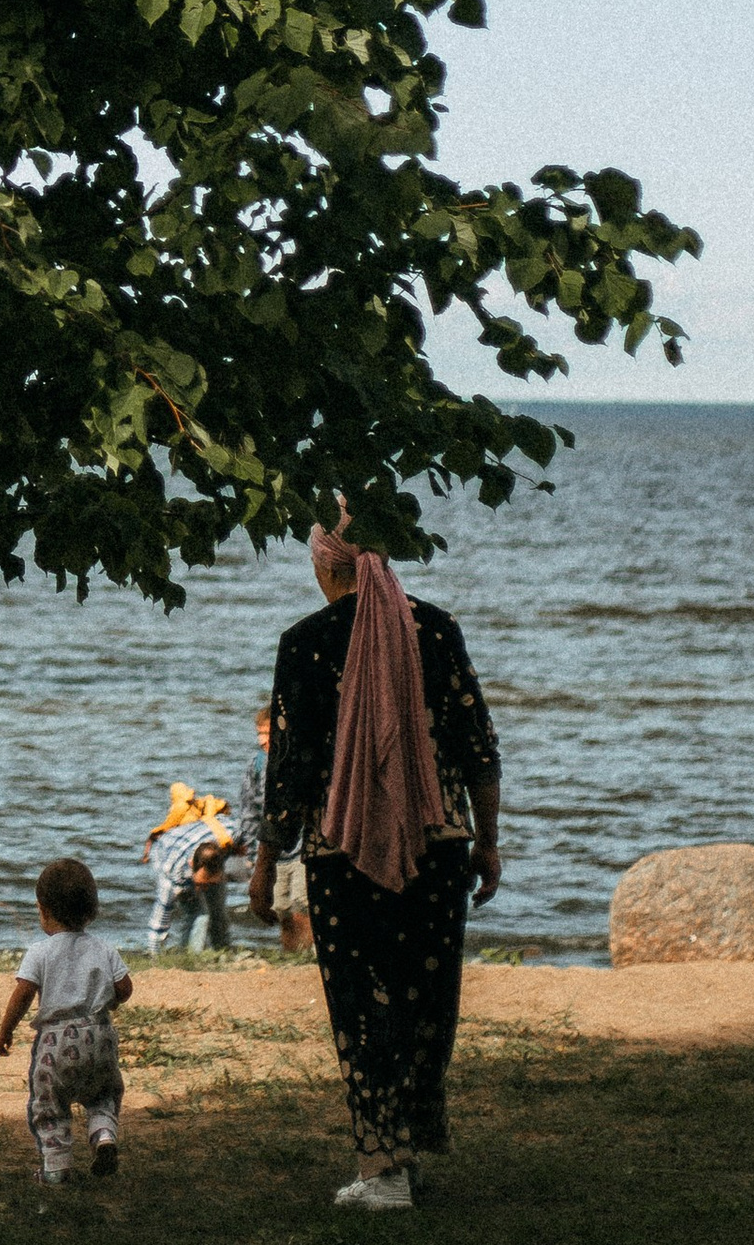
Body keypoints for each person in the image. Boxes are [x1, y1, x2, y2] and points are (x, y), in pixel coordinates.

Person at [249, 515, 503, 1215]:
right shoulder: (436, 628)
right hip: (439, 842)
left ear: (328, 566)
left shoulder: (304, 644)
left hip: (343, 851)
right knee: (425, 1005)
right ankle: (403, 1155)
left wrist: (267, 862)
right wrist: (487, 839)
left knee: (361, 1008)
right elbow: (477, 741)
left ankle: (382, 1169)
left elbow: (291, 767)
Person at [0, 857, 133, 1184]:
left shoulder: (40, 952)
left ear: (42, 910)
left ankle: (56, 1169)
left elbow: (23, 994)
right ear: (92, 910)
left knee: (50, 1106)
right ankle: (103, 1135)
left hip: (56, 1044)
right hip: (99, 1036)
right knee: (103, 1095)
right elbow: (124, 988)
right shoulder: (104, 948)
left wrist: (5, 1030)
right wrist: (109, 1001)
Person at [241, 705, 313, 954]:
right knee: (281, 907)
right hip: (273, 852)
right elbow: (249, 812)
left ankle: (310, 959)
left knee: (303, 904)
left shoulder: (301, 760)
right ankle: (292, 957)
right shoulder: (257, 766)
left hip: (302, 847)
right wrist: (253, 855)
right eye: (259, 734)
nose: (262, 741)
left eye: (267, 734)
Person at [143, 783, 234, 951]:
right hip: (166, 850)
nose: (201, 889)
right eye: (200, 884)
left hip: (197, 839)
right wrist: (153, 955)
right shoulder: (172, 876)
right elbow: (159, 922)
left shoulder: (230, 836)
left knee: (217, 909)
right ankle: (190, 955)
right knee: (199, 912)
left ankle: (222, 949)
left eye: (207, 884)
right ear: (192, 866)